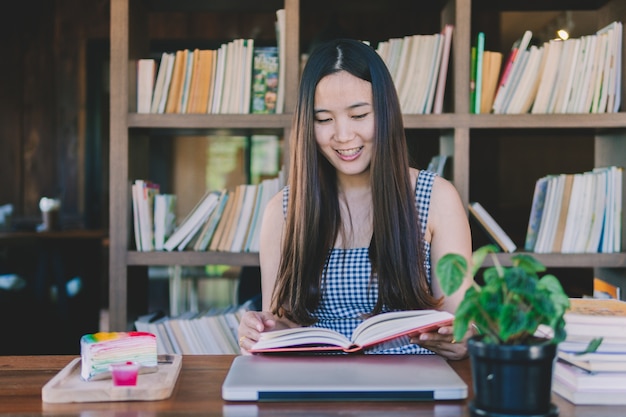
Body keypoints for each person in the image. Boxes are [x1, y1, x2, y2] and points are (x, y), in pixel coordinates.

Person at [238, 38, 473, 360]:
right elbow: (279, 323)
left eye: (359, 115)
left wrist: (459, 339)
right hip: (315, 385)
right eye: (324, 120)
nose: (343, 136)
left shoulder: (437, 198)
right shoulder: (283, 210)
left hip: (411, 381)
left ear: (385, 113)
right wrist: (261, 330)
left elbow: (460, 322)